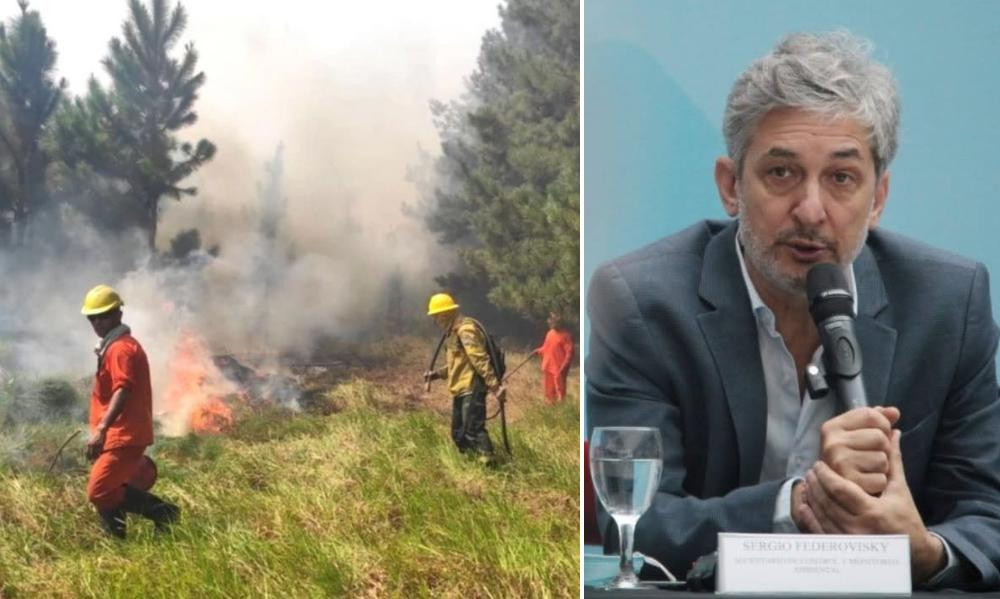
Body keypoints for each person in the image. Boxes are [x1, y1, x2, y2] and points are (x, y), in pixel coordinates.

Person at [586, 31, 1000, 589]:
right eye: (781, 173)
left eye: (841, 178)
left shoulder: (949, 303)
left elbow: (988, 512)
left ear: (877, 198)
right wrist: (798, 502)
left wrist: (924, 551)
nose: (810, 210)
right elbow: (633, 518)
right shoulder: (641, 300)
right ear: (731, 187)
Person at [82, 284, 180, 538]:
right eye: (93, 317)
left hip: (123, 433)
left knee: (99, 490)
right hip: (117, 433)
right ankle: (118, 543)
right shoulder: (112, 346)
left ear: (118, 314)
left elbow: (122, 389)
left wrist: (102, 428)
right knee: (111, 487)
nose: (98, 322)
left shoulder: (120, 348)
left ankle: (164, 512)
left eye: (103, 315)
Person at [423, 292, 506, 459]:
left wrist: (495, 386)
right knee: (458, 434)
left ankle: (489, 464)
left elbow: (479, 359)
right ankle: (472, 462)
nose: (435, 322)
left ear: (445, 315)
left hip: (472, 388)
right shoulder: (453, 334)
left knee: (473, 430)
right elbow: (457, 364)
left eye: (436, 317)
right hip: (460, 389)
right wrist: (437, 374)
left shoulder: (466, 330)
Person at [535, 312, 574, 403]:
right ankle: (550, 409)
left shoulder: (566, 336)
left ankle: (560, 411)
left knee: (559, 392)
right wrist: (538, 351)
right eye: (550, 320)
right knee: (548, 391)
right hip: (548, 366)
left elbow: (569, 353)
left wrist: (563, 368)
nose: (550, 322)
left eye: (553, 321)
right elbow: (546, 347)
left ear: (559, 322)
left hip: (558, 369)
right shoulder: (550, 333)